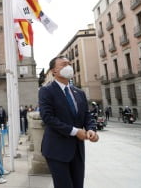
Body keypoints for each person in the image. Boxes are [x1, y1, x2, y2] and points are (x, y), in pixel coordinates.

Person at [39, 56, 98, 188]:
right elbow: (47, 117)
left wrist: (91, 129)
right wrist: (75, 131)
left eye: (69, 64)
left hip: (77, 150)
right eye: (64, 64)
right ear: (53, 71)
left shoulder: (79, 92)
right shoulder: (46, 91)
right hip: (57, 150)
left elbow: (87, 115)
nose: (68, 66)